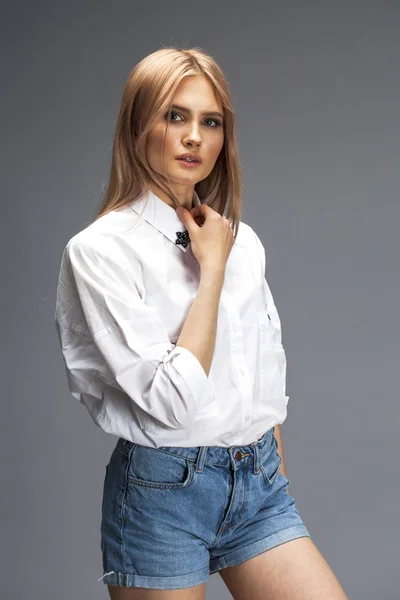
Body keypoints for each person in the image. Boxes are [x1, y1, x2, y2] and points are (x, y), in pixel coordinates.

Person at [54, 47, 348, 600]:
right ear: (139, 125)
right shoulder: (99, 252)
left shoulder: (243, 239)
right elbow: (172, 401)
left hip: (257, 484)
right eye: (175, 116)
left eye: (210, 122)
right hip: (161, 494)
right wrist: (211, 268)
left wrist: (269, 479)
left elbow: (262, 375)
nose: (194, 136)